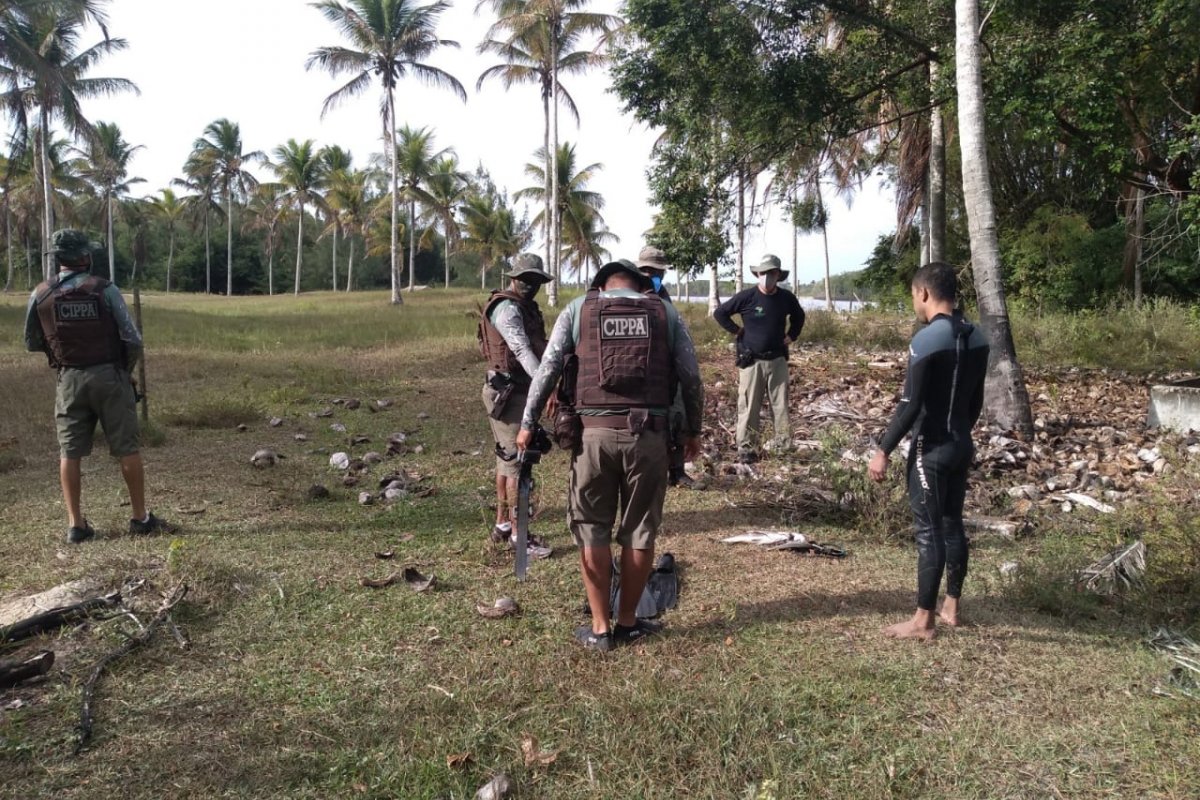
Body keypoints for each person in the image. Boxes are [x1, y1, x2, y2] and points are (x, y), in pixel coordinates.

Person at [517, 259, 704, 652]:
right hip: (649, 440)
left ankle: (600, 630)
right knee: (639, 532)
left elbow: (548, 369)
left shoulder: (579, 309)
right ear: (640, 286)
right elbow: (690, 376)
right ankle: (629, 622)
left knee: (592, 529)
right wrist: (692, 431)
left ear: (600, 286)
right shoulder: (664, 312)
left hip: (592, 439)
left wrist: (528, 422)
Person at [23, 229, 173, 544]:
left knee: (69, 451)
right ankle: (140, 517)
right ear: (84, 257)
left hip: (68, 379)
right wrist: (123, 371)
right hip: (109, 375)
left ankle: (76, 525)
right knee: (127, 448)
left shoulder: (41, 294)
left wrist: (65, 355)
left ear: (58, 258)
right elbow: (132, 339)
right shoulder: (105, 290)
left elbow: (32, 342)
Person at [867, 261, 990, 641]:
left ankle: (923, 621)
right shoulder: (979, 337)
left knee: (929, 532)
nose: (915, 304)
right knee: (952, 523)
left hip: (931, 447)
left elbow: (909, 404)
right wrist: (959, 437)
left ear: (924, 293)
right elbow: (975, 402)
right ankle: (951, 606)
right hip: (960, 443)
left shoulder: (926, 340)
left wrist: (883, 449)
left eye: (913, 297)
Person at [477, 253, 554, 560]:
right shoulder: (507, 309)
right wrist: (545, 386)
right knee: (517, 463)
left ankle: (502, 526)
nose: (530, 286)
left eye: (536, 281)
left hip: (515, 389)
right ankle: (519, 537)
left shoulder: (523, 306)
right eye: (526, 279)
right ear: (513, 277)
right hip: (508, 393)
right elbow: (521, 349)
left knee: (507, 460)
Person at [713, 254, 805, 463]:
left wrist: (792, 335)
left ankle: (783, 446)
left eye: (771, 273)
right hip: (752, 361)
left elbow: (799, 316)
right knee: (748, 405)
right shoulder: (746, 297)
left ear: (777, 275)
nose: (766, 277)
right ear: (758, 274)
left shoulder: (786, 298)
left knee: (780, 404)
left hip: (777, 360)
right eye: (763, 273)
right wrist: (737, 330)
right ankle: (746, 448)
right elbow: (720, 313)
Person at [636, 245, 692, 488]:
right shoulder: (629, 295)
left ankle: (677, 472)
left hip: (667, 368)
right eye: (647, 271)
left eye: (657, 272)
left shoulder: (664, 295)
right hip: (640, 371)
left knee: (677, 416)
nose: (652, 276)